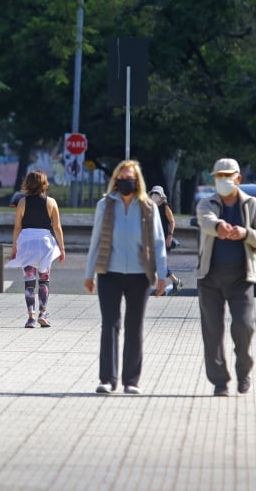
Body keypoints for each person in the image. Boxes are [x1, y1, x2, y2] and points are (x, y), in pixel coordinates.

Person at [84, 160, 167, 395]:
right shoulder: (105, 205)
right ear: (115, 180)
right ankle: (108, 379)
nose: (125, 181)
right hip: (109, 273)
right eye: (121, 177)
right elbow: (96, 240)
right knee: (109, 325)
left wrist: (162, 274)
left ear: (137, 180)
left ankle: (131, 380)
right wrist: (89, 274)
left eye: (129, 177)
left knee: (134, 326)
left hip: (140, 276)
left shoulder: (148, 206)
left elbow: (159, 242)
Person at [195, 158, 256, 397]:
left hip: (241, 276)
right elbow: (207, 222)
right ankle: (220, 381)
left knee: (244, 326)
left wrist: (245, 233)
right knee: (212, 331)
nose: (223, 180)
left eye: (228, 176)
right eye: (219, 176)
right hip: (210, 276)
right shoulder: (206, 203)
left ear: (238, 178)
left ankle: (244, 372)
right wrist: (220, 226)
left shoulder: (252, 204)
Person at [6, 171, 65, 328]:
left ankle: (31, 317)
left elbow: (17, 227)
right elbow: (57, 227)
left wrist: (14, 247)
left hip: (26, 242)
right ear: (44, 184)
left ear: (28, 183)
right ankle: (43, 313)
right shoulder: (51, 202)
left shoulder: (22, 202)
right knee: (44, 279)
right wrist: (62, 247)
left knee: (29, 281)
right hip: (45, 242)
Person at [149, 185, 184, 295]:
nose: (155, 196)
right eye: (153, 193)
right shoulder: (150, 206)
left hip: (163, 238)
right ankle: (171, 283)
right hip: (153, 238)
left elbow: (172, 221)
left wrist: (170, 235)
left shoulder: (165, 206)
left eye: (157, 194)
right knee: (156, 262)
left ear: (161, 195)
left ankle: (173, 283)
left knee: (158, 262)